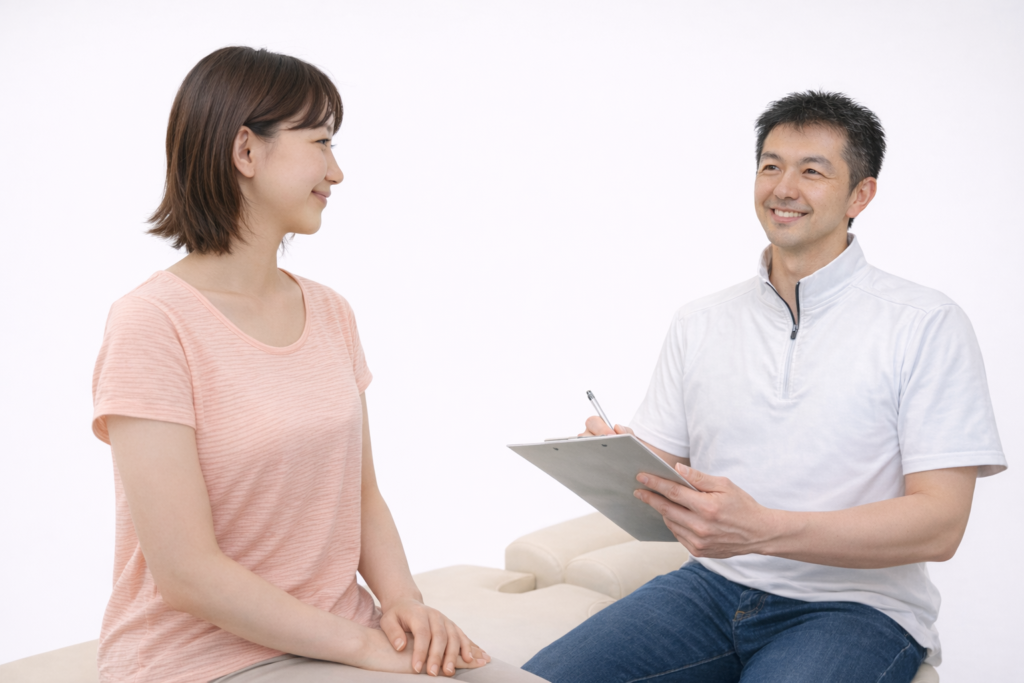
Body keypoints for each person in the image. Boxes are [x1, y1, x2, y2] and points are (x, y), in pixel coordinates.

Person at [522, 91, 1007, 683]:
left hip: (856, 608)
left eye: (812, 171)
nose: (784, 188)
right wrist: (614, 457)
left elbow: (941, 524)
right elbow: (664, 467)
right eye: (771, 166)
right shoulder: (700, 321)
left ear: (861, 194)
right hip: (712, 586)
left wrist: (763, 528)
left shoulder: (926, 323)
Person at [91, 46, 541, 683]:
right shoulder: (151, 324)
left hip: (338, 634)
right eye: (321, 143)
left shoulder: (330, 311)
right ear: (246, 151)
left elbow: (361, 495)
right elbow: (186, 573)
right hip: (201, 660)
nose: (337, 171)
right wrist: (363, 648)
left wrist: (404, 604)